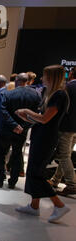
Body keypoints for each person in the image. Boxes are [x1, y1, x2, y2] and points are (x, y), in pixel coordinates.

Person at [15, 65, 70, 222]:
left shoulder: (59, 95)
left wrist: (27, 111)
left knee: (35, 173)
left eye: (44, 76)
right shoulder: (51, 94)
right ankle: (34, 206)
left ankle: (59, 205)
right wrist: (27, 117)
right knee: (33, 171)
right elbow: (41, 119)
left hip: (46, 139)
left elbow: (45, 118)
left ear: (51, 77)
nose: (41, 78)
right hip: (41, 136)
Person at [0, 73, 41, 189]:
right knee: (17, 155)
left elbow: (3, 111)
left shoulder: (8, 93)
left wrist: (14, 125)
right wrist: (23, 126)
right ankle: (13, 182)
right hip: (22, 131)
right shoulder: (36, 95)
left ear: (16, 80)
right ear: (27, 81)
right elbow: (37, 114)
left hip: (6, 129)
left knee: (0, 154)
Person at [49, 67, 76, 195]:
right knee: (66, 155)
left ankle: (72, 184)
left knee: (64, 155)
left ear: (71, 73)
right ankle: (55, 179)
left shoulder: (67, 88)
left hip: (66, 127)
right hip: (74, 128)